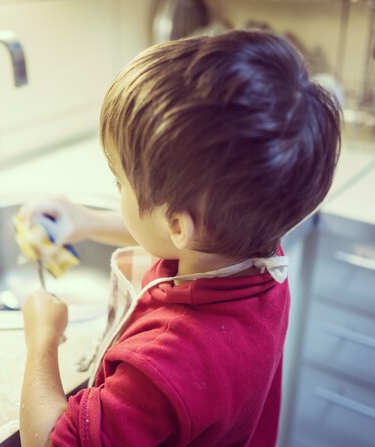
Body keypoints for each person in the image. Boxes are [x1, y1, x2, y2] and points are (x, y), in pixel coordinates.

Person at [18, 29, 340, 447]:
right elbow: (183, 237)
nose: (117, 189)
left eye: (119, 181)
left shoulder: (160, 365)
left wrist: (41, 336)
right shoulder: (255, 250)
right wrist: (87, 222)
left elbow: (47, 442)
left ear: (177, 224)